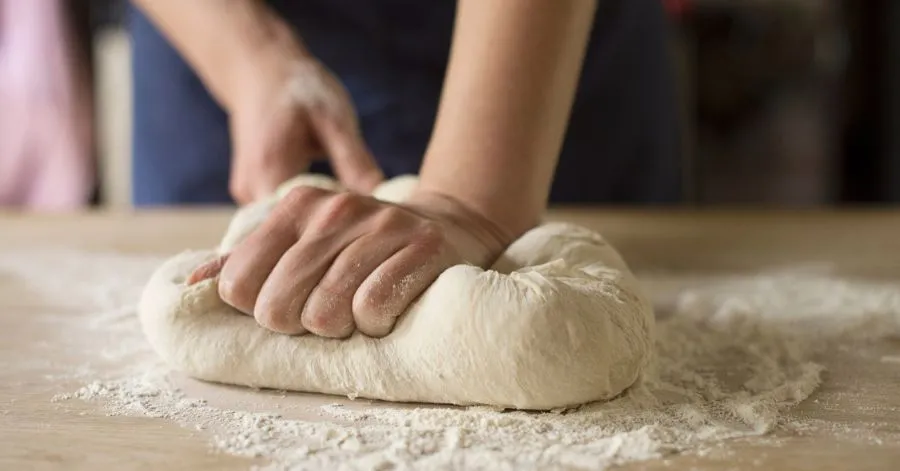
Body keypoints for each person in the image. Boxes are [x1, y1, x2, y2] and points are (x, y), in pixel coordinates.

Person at [129, 0, 680, 338]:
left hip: (535, 41)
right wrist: (250, 57)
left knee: (578, 321)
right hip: (215, 32)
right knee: (231, 294)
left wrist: (473, 205)